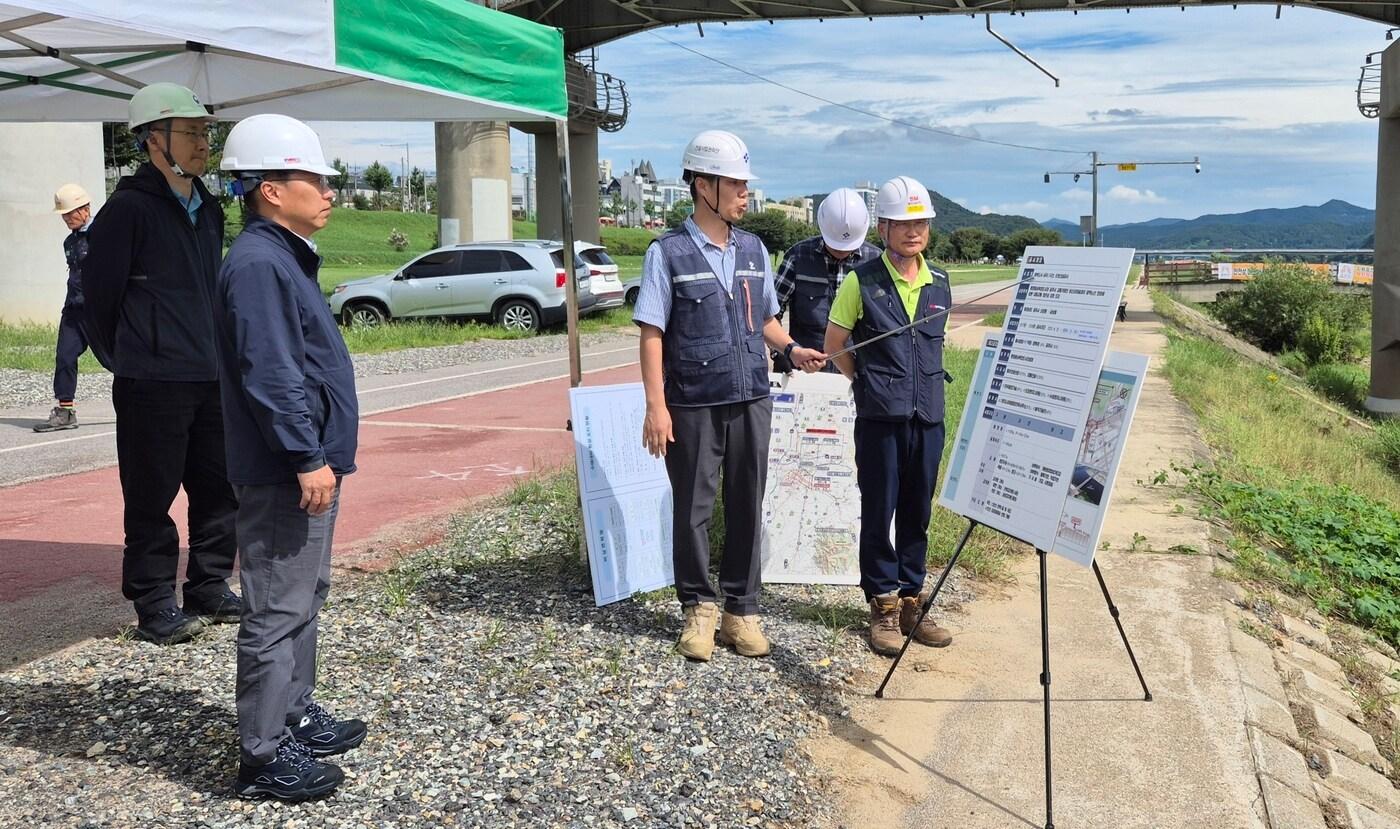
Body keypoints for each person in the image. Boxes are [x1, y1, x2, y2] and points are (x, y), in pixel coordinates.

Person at [635, 130, 827, 662]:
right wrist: (656, 406)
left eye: (745, 184)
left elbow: (764, 319)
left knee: (747, 502)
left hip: (751, 397)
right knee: (693, 509)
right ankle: (698, 609)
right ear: (703, 185)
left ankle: (741, 612)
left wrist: (792, 349)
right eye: (736, 184)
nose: (745, 194)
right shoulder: (667, 254)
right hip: (692, 401)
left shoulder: (754, 249)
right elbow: (652, 332)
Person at [217, 114, 365, 802]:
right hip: (284, 469)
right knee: (276, 606)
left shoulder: (284, 256)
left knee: (305, 594)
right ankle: (263, 756)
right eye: (316, 179)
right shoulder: (258, 263)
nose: (329, 191)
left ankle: (294, 714)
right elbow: (272, 374)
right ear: (271, 190)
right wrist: (306, 455)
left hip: (306, 463)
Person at [81, 82, 239, 645]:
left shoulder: (209, 208)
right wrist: (131, 357)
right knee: (151, 496)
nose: (202, 143)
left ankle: (209, 585)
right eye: (190, 132)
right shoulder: (127, 210)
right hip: (151, 382)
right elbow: (96, 300)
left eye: (204, 133)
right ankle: (153, 602)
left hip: (210, 376)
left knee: (219, 489)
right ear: (154, 139)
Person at [823, 175, 955, 657]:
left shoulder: (940, 282)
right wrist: (867, 382)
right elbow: (834, 344)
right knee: (880, 511)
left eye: (920, 223)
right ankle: (882, 605)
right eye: (902, 223)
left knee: (918, 511)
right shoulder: (861, 281)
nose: (912, 231)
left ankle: (912, 601)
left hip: (929, 417)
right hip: (880, 418)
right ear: (882, 228)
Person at [773, 187, 881, 373]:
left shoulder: (876, 262)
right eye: (836, 245)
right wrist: (786, 352)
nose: (841, 251)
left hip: (857, 371)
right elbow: (771, 313)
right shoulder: (798, 257)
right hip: (800, 370)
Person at [33, 184, 93, 433]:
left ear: (85, 209)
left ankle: (146, 403)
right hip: (73, 309)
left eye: (70, 213)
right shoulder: (70, 241)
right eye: (64, 215)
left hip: (100, 311)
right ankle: (65, 411)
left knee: (117, 360)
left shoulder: (104, 234)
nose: (67, 219)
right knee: (65, 356)